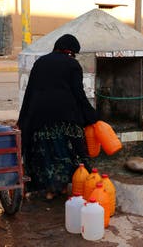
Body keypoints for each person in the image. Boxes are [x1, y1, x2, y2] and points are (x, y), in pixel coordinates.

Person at [17, 34, 98, 199]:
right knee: (70, 152)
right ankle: (62, 187)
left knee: (46, 154)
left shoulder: (40, 62)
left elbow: (29, 92)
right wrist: (93, 116)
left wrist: (23, 119)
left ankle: (50, 189)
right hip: (65, 117)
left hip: (39, 117)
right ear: (70, 51)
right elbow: (78, 94)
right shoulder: (72, 65)